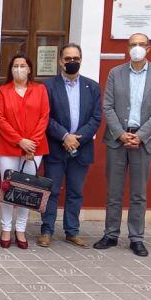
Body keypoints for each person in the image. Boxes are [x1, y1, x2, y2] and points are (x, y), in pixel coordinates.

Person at [95, 33, 151, 257]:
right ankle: (110, 234)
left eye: (141, 44)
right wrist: (120, 134)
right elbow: (107, 106)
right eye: (133, 44)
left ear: (148, 48)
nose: (137, 48)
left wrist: (141, 135)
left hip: (143, 140)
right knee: (114, 192)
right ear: (128, 48)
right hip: (117, 139)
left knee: (139, 193)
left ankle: (136, 237)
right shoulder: (115, 73)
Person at [40, 43, 101, 248]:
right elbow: (45, 117)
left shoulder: (92, 86)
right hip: (56, 147)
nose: (72, 62)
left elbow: (96, 118)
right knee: (52, 190)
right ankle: (47, 230)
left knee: (75, 191)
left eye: (76, 58)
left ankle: (71, 231)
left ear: (81, 60)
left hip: (81, 148)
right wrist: (65, 136)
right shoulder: (48, 86)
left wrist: (77, 138)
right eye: (68, 59)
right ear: (60, 61)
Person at [0, 53, 50, 249]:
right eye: (15, 65)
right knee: (8, 187)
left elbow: (44, 117)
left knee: (28, 189)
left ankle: (21, 229)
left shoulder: (40, 90)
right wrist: (20, 141)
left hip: (34, 148)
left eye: (22, 65)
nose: (19, 69)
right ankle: (6, 228)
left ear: (29, 69)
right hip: (8, 146)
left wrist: (31, 144)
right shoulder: (3, 91)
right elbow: (0, 119)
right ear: (11, 70)